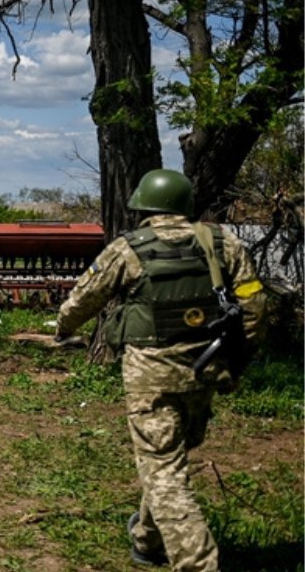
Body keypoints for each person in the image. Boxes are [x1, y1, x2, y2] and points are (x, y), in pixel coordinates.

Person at [54, 169, 266, 572]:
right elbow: (255, 309)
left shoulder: (129, 249)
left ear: (145, 208)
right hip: (205, 371)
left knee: (165, 470)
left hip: (151, 379)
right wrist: (237, 360)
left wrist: (64, 328)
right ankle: (147, 539)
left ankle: (198, 562)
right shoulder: (223, 243)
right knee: (168, 458)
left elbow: (83, 299)